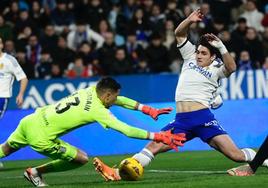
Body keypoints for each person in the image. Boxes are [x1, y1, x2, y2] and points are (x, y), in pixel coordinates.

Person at [93, 9, 268, 181]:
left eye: (203, 53)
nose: (199, 55)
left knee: (235, 155)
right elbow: (179, 33)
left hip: (203, 119)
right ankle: (116, 174)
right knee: (153, 146)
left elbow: (232, 68)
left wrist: (221, 46)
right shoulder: (190, 57)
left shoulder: (217, 69)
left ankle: (263, 160)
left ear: (213, 57)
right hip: (182, 121)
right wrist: (190, 20)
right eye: (198, 51)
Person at [0, 77, 185, 187]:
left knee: (6, 149)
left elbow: (120, 100)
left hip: (30, 120)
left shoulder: (89, 90)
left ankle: (32, 172)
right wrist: (157, 135)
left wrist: (146, 109)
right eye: (113, 97)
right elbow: (126, 130)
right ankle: (35, 172)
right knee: (80, 158)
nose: (115, 100)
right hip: (41, 137)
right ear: (106, 96)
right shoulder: (98, 110)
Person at [0, 37, 28, 168]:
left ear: (1, 45)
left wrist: (21, 94)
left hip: (1, 97)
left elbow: (23, 78)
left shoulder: (9, 60)